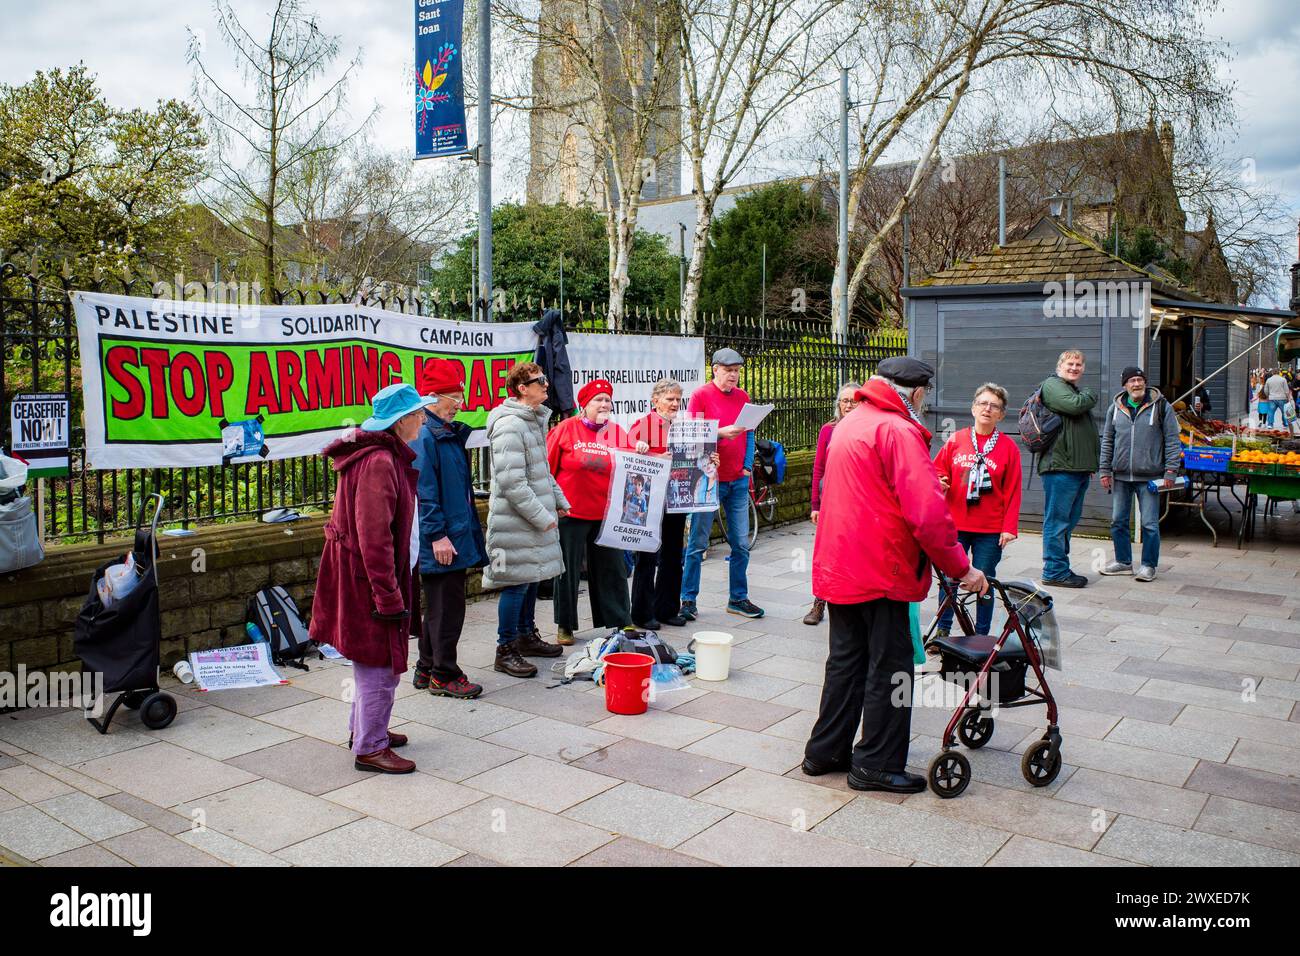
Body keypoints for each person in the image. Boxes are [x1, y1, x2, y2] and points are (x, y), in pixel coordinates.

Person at [803, 357, 987, 793]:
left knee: (845, 662)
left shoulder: (852, 422)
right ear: (917, 392)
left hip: (842, 565)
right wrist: (963, 568)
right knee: (890, 668)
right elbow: (926, 514)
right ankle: (876, 764)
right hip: (880, 567)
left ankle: (824, 752)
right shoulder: (899, 430)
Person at [310, 383, 428, 774]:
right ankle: (371, 747)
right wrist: (388, 595)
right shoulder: (379, 461)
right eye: (417, 413)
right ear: (400, 422)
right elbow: (373, 537)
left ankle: (365, 729)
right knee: (380, 661)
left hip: (364, 577)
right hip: (370, 581)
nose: (423, 419)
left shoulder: (378, 455)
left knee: (371, 660)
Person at [483, 361, 570, 678]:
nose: (547, 385)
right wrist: (542, 515)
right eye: (540, 380)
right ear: (522, 388)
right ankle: (505, 649)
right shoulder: (510, 425)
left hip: (531, 520)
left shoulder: (531, 421)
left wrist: (559, 501)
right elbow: (512, 483)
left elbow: (541, 472)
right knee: (515, 584)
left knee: (531, 578)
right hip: (514, 522)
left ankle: (525, 635)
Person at [547, 379, 647, 644]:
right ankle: (565, 625)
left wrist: (640, 450)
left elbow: (631, 466)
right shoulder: (565, 429)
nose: (604, 405)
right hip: (570, 513)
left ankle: (621, 621)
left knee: (613, 568)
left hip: (606, 513)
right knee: (566, 571)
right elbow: (546, 470)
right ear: (584, 404)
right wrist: (552, 504)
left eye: (607, 400)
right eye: (597, 400)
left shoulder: (616, 432)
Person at [410, 358, 486, 699]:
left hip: (450, 534)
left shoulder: (439, 432)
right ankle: (444, 674)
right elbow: (424, 492)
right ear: (432, 396)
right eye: (454, 397)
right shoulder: (427, 435)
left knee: (438, 607)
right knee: (448, 609)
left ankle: (427, 667)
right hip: (443, 539)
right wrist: (438, 535)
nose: (460, 404)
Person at [679, 348, 764, 621]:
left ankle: (738, 598)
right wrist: (719, 432)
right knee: (697, 543)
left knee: (741, 543)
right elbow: (692, 435)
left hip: (737, 480)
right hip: (708, 479)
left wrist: (748, 465)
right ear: (715, 369)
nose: (734, 376)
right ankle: (688, 600)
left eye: (737, 371)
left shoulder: (743, 397)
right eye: (729, 370)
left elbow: (750, 433)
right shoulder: (701, 395)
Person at [932, 383, 1022, 636]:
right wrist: (939, 481)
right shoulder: (956, 439)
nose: (987, 409)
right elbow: (936, 471)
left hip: (989, 530)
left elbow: (1014, 491)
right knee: (949, 580)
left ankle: (981, 634)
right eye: (983, 403)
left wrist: (1009, 528)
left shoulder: (1008, 448)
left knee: (984, 581)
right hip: (955, 524)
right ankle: (943, 629)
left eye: (994, 406)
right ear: (973, 408)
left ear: (1001, 415)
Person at [628, 378, 701, 630]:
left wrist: (708, 457)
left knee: (672, 553)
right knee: (648, 555)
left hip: (677, 497)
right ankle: (641, 612)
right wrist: (656, 456)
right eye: (669, 399)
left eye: (678, 399)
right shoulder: (643, 424)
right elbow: (630, 453)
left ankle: (667, 608)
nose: (674, 403)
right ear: (655, 400)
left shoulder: (683, 425)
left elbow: (696, 456)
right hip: (651, 497)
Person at [1098, 367, 1181, 582]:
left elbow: (1173, 440)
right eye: (1132, 381)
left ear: (1145, 382)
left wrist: (1171, 471)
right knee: (1118, 521)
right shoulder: (1114, 409)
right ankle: (1124, 562)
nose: (1136, 384)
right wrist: (1104, 470)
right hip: (1121, 476)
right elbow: (1107, 441)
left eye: (1140, 379)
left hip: (1150, 477)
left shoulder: (1162, 407)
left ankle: (1148, 565)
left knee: (1150, 524)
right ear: (1124, 385)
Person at [1038, 349, 1099, 588]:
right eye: (1070, 363)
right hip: (1060, 468)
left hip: (1075, 468)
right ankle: (1054, 570)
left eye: (1079, 364)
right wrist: (1090, 394)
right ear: (1059, 366)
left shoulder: (1071, 388)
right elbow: (1074, 406)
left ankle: (1060, 567)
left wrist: (1089, 463)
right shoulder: (1053, 385)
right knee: (1057, 521)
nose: (1074, 367)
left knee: (1067, 522)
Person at [804, 381, 863, 625]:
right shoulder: (828, 430)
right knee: (826, 554)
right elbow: (819, 468)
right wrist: (815, 505)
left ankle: (852, 601)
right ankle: (819, 603)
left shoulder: (866, 428)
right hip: (831, 501)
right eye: (844, 400)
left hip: (858, 502)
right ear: (838, 404)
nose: (849, 405)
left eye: (854, 400)